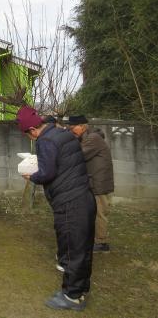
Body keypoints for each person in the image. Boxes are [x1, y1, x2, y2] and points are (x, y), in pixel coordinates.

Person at [16, 105, 96, 311]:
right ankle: (79, 289)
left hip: (70, 202)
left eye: (29, 135)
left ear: (32, 130)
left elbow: (47, 172)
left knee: (71, 250)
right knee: (82, 248)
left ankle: (71, 296)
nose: (32, 139)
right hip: (83, 196)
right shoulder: (64, 133)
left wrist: (31, 176)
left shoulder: (46, 140)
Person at [65, 115, 114, 253]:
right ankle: (95, 239)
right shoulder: (87, 137)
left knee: (99, 213)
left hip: (100, 184)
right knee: (92, 212)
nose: (71, 130)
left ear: (82, 126)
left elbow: (78, 155)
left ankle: (102, 243)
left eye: (72, 128)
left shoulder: (93, 139)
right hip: (93, 182)